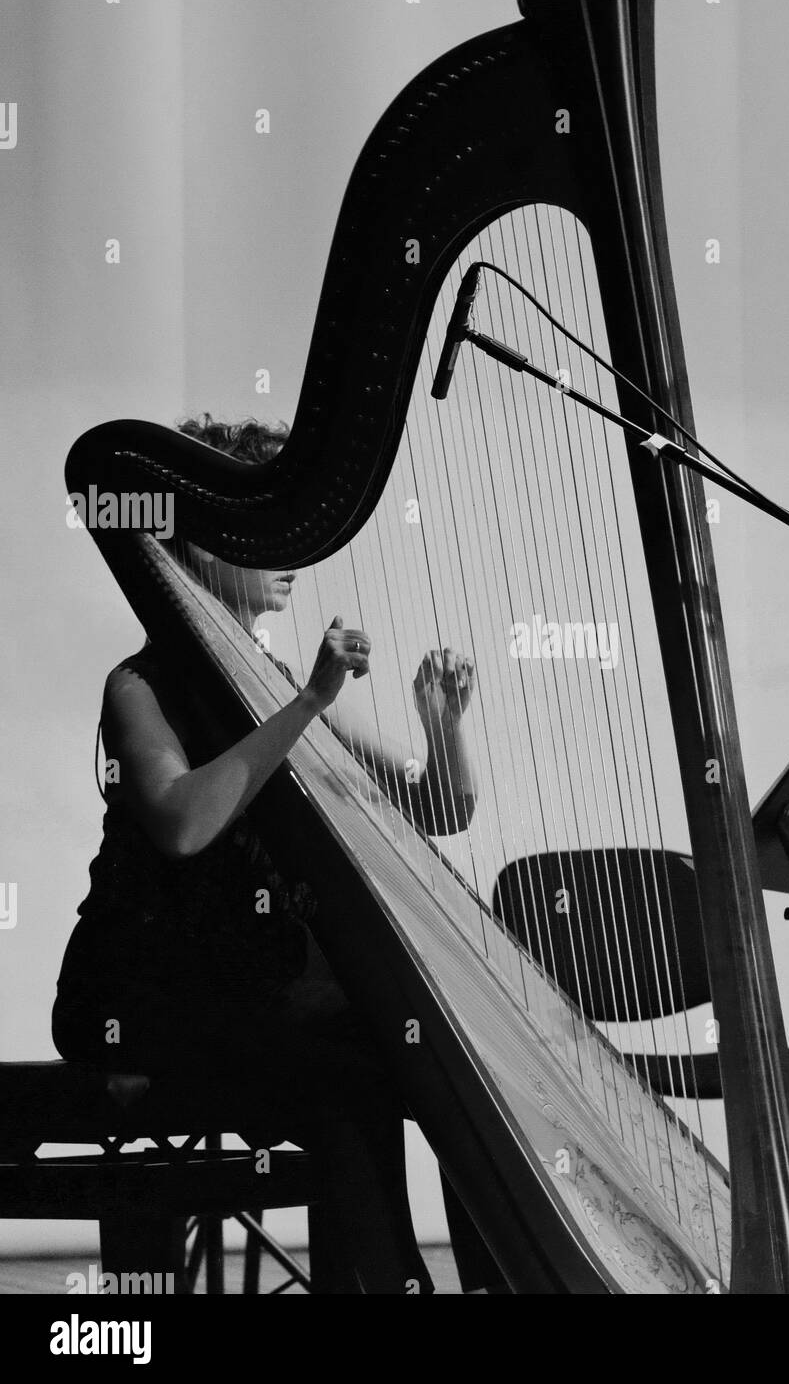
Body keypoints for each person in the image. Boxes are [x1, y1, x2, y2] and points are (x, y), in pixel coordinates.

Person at [53, 414, 484, 1294]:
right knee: (356, 1069)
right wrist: (311, 705)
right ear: (200, 546)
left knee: (434, 1046)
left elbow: (440, 808)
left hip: (246, 992)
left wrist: (443, 725)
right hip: (141, 997)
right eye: (264, 538)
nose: (290, 559)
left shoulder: (276, 687)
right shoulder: (139, 686)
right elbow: (180, 823)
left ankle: (476, 1279)